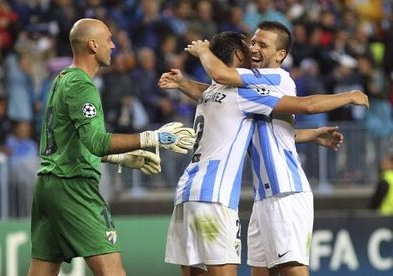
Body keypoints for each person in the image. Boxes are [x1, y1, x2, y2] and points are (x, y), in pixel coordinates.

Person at [160, 23, 368, 276]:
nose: (254, 48)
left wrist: (350, 95)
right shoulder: (244, 92)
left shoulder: (276, 77)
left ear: (280, 55)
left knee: (292, 270)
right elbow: (231, 100)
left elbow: (307, 105)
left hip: (286, 191)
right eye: (252, 43)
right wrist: (308, 135)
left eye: (262, 44)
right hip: (261, 198)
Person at [27, 18, 196, 276]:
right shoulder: (82, 85)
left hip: (48, 188)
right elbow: (97, 142)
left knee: (42, 272)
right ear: (93, 45)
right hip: (74, 188)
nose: (113, 46)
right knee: (112, 271)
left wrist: (120, 158)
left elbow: (67, 144)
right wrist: (154, 137)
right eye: (108, 40)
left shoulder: (61, 79)